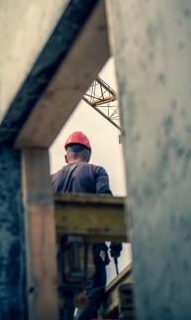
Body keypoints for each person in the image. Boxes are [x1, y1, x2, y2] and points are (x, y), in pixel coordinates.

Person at [51, 131, 122, 320]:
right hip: (91, 251)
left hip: (58, 255)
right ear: (88, 155)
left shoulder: (50, 180)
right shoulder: (96, 171)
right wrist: (115, 245)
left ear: (67, 156)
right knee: (94, 291)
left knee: (63, 301)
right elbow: (108, 209)